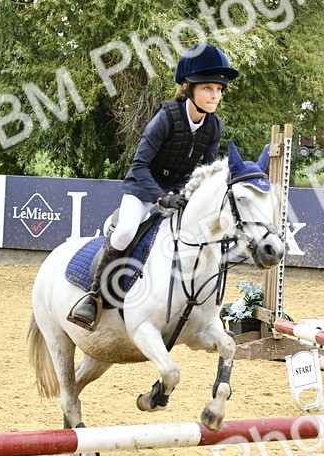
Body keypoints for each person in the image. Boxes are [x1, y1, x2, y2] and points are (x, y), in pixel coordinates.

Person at [67, 44, 238, 329]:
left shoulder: (213, 126)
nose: (215, 95)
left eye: (219, 89)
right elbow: (139, 166)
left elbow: (205, 173)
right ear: (188, 87)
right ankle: (94, 296)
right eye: (208, 88)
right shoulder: (166, 118)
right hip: (144, 189)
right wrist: (161, 197)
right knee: (124, 233)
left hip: (179, 194)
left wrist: (190, 198)